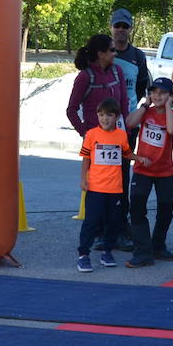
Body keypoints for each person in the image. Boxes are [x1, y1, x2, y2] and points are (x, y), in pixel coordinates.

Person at [66, 33, 131, 250]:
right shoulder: (85, 77)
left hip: (117, 141)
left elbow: (123, 103)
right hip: (97, 145)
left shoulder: (117, 71)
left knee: (119, 188)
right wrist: (85, 132)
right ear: (100, 53)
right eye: (111, 50)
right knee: (98, 190)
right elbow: (71, 109)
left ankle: (117, 231)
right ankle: (98, 233)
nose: (115, 53)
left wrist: (125, 131)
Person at [124, 77, 173, 267]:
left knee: (166, 209)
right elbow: (129, 123)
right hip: (143, 169)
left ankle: (158, 245)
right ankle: (142, 251)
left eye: (162, 93)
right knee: (137, 208)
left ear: (170, 96)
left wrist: (167, 107)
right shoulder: (145, 112)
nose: (157, 96)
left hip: (164, 171)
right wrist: (144, 105)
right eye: (154, 92)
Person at [77, 99, 137, 272]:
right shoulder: (92, 134)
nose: (104, 119)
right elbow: (86, 158)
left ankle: (107, 251)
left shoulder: (121, 135)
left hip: (115, 188)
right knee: (91, 222)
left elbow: (126, 153)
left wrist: (140, 158)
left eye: (109, 115)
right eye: (101, 115)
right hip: (95, 187)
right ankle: (83, 255)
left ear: (117, 117)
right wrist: (83, 178)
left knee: (113, 222)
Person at [108, 8, 152, 114]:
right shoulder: (101, 52)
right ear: (110, 27)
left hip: (128, 116)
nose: (121, 29)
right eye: (117, 25)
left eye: (125, 26)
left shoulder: (138, 56)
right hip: (104, 117)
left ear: (131, 29)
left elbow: (141, 85)